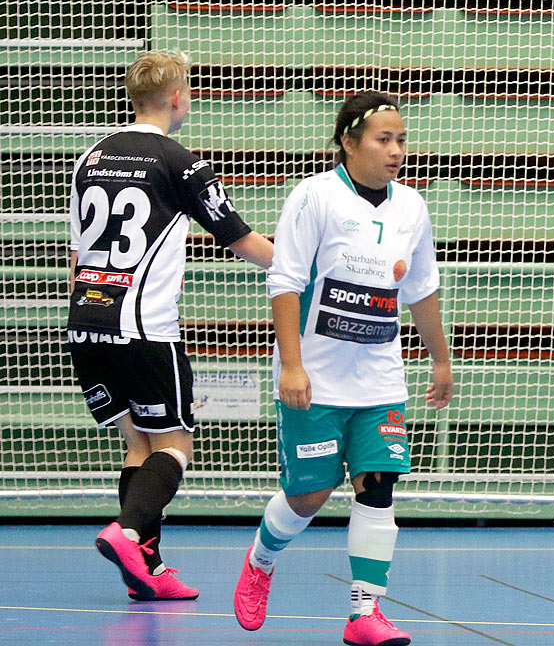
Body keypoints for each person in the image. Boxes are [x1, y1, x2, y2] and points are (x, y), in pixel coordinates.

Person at [233, 90, 452, 646]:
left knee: (378, 485)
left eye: (401, 139)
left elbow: (421, 291)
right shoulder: (316, 196)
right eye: (384, 139)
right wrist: (292, 366)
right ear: (349, 142)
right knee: (310, 492)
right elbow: (284, 281)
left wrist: (441, 360)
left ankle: (364, 613)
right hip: (317, 377)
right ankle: (261, 560)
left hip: (379, 379)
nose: (397, 149)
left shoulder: (412, 208)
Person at [70, 49, 274, 601]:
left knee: (138, 446)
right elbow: (241, 240)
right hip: (146, 327)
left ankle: (148, 571)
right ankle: (130, 532)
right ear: (178, 97)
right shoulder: (180, 162)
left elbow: (78, 254)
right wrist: (304, 265)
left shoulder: (90, 157)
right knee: (176, 445)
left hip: (85, 321)